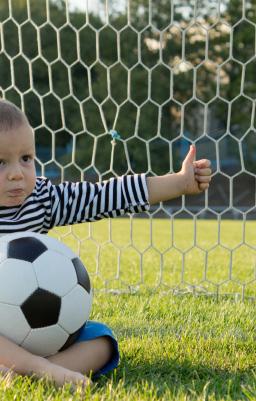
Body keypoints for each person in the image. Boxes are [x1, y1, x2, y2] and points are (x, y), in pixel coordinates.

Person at [0, 99, 211, 388]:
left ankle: (30, 372)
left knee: (102, 341)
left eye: (26, 158)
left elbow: (103, 195)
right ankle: (39, 369)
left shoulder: (41, 199)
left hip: (40, 333)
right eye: (1, 162)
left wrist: (179, 183)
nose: (16, 173)